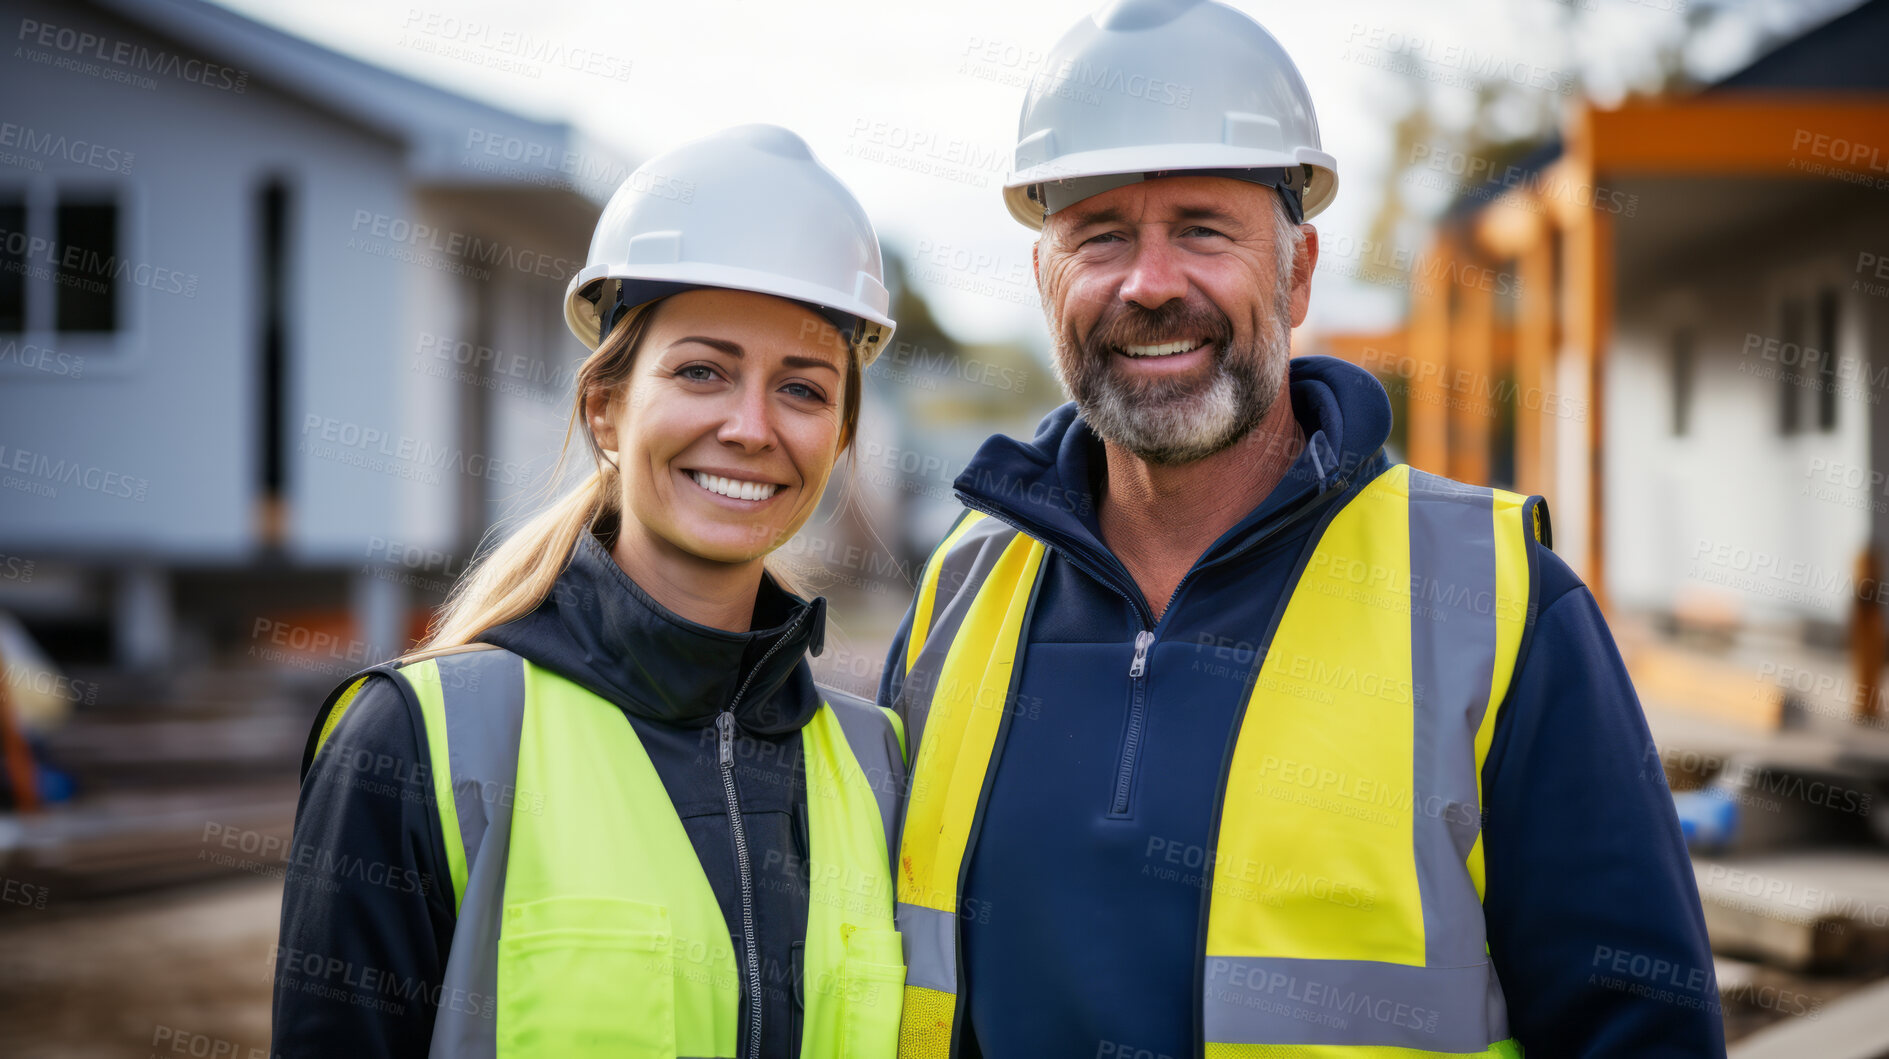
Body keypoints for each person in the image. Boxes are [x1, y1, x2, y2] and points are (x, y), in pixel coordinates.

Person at [881, 2, 1724, 1056]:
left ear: (1298, 270)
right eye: (1098, 236)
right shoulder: (958, 598)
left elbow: (1639, 1036)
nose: (1150, 284)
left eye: (1201, 228)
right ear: (1042, 277)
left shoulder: (1499, 602)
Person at [272, 124, 908, 1059]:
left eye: (804, 389)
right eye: (702, 370)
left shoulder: (876, 765)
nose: (749, 425)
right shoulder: (419, 742)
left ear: (840, 437)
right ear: (605, 405)